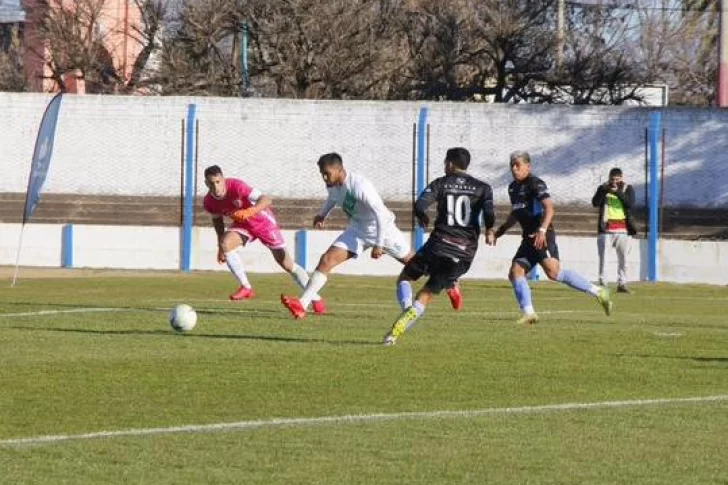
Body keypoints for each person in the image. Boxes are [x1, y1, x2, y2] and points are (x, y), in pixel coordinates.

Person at [281, 152, 455, 319]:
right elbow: (333, 198)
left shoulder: (360, 185)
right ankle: (302, 305)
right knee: (326, 260)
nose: (324, 178)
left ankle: (449, 280)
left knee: (416, 265)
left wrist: (379, 244)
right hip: (357, 230)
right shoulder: (332, 185)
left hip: (384, 231)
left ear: (340, 169)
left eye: (327, 173)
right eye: (322, 174)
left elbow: (380, 214)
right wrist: (322, 214)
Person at [382, 148, 494, 345]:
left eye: (445, 162)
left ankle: (406, 308)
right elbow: (489, 215)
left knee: (405, 278)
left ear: (450, 163)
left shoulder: (441, 183)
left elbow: (419, 205)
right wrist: (490, 230)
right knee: (426, 294)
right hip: (463, 252)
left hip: (437, 245)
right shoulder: (483, 188)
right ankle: (396, 331)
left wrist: (422, 216)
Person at [487, 151, 612, 324]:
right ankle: (529, 313)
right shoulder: (512, 188)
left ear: (527, 166)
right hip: (528, 238)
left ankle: (598, 291)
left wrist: (543, 230)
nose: (514, 168)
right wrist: (499, 232)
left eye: (518, 165)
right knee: (516, 272)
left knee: (554, 273)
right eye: (512, 165)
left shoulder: (535, 183)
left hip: (542, 235)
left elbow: (549, 208)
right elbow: (515, 214)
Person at [202, 165, 325, 313]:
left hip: (263, 222)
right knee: (225, 243)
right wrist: (220, 248)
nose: (215, 187)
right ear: (206, 183)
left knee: (287, 264)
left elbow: (266, 200)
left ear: (223, 179)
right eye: (211, 183)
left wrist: (250, 211)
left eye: (218, 182)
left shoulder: (237, 186)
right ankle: (246, 287)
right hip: (243, 225)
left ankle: (316, 298)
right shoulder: (209, 202)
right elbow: (218, 221)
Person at [591, 167, 637, 293]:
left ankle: (622, 284)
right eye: (612, 179)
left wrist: (617, 192)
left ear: (622, 178)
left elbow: (630, 204)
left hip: (623, 230)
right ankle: (603, 283)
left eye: (617, 179)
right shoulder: (603, 188)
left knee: (624, 260)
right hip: (606, 229)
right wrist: (604, 191)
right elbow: (595, 202)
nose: (614, 182)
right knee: (604, 258)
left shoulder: (628, 188)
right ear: (609, 178)